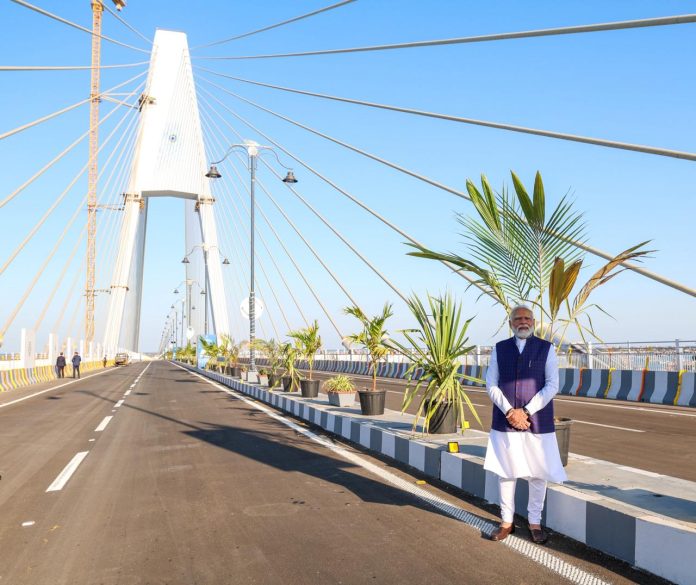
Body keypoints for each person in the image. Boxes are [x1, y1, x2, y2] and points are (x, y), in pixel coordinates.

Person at [484, 304, 566, 544]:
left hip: (537, 421)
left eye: (527, 318)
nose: (523, 322)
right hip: (505, 420)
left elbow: (552, 385)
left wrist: (526, 411)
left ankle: (534, 522)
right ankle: (506, 522)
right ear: (510, 323)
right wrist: (510, 412)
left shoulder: (547, 349)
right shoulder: (499, 349)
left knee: (537, 473)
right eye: (518, 318)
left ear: (533, 322)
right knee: (506, 473)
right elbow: (491, 385)